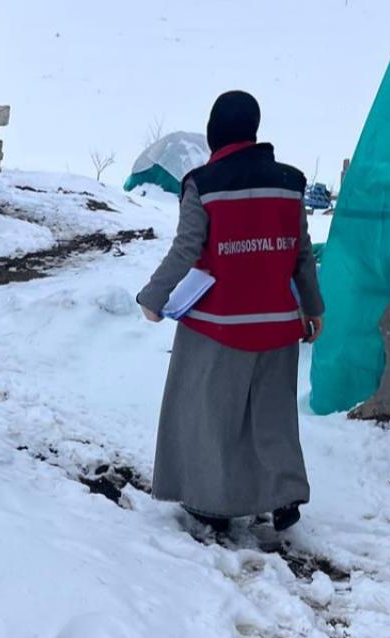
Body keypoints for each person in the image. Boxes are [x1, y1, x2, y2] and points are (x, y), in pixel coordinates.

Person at [135, 91, 324, 534]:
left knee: (211, 415)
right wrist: (313, 308)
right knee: (273, 415)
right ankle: (285, 494)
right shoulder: (291, 182)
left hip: (219, 325)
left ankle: (211, 506)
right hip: (278, 323)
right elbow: (301, 254)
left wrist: (153, 296)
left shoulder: (203, 184)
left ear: (214, 130)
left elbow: (187, 248)